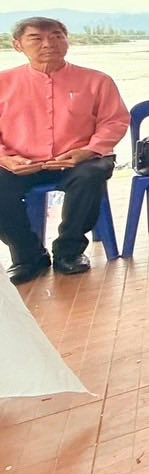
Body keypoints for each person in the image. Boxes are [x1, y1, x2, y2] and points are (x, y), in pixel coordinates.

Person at [0, 17, 129, 282]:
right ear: (17, 45)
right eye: (36, 38)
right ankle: (27, 254)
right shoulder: (4, 83)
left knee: (91, 175)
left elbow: (115, 120)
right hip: (20, 163)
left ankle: (68, 251)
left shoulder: (96, 81)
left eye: (57, 36)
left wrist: (90, 150)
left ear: (67, 40)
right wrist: (6, 158)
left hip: (79, 160)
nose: (49, 44)